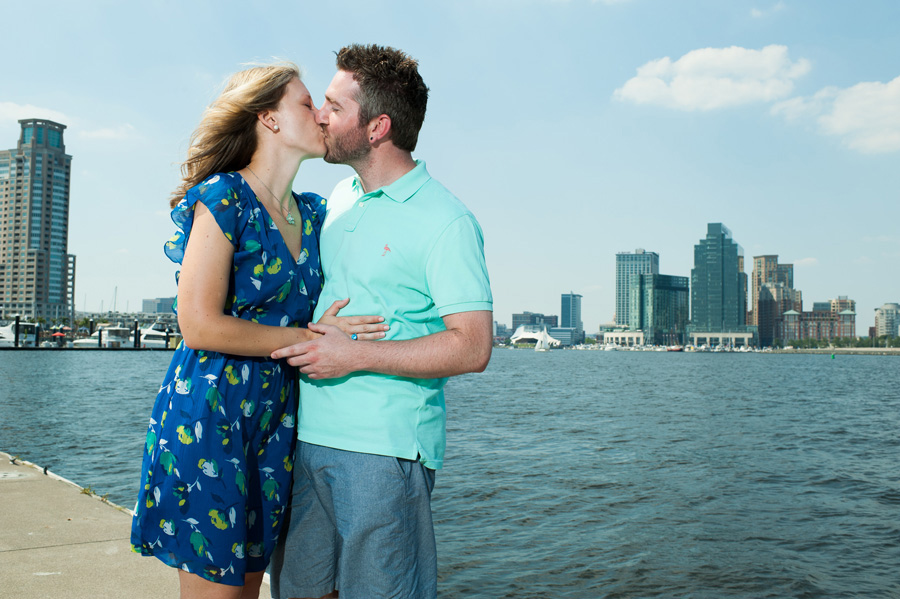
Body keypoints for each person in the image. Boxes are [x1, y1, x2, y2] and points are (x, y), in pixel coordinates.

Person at [130, 62, 387, 599]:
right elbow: (197, 324)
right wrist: (310, 341)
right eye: (305, 102)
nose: (320, 114)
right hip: (209, 419)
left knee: (253, 590)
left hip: (277, 424)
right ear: (268, 118)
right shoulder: (225, 197)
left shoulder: (315, 215)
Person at [269, 45, 494, 599]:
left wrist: (358, 355)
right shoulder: (337, 200)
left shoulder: (447, 221)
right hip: (308, 437)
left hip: (383, 452)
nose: (319, 115)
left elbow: (474, 347)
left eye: (333, 106)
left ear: (377, 127)